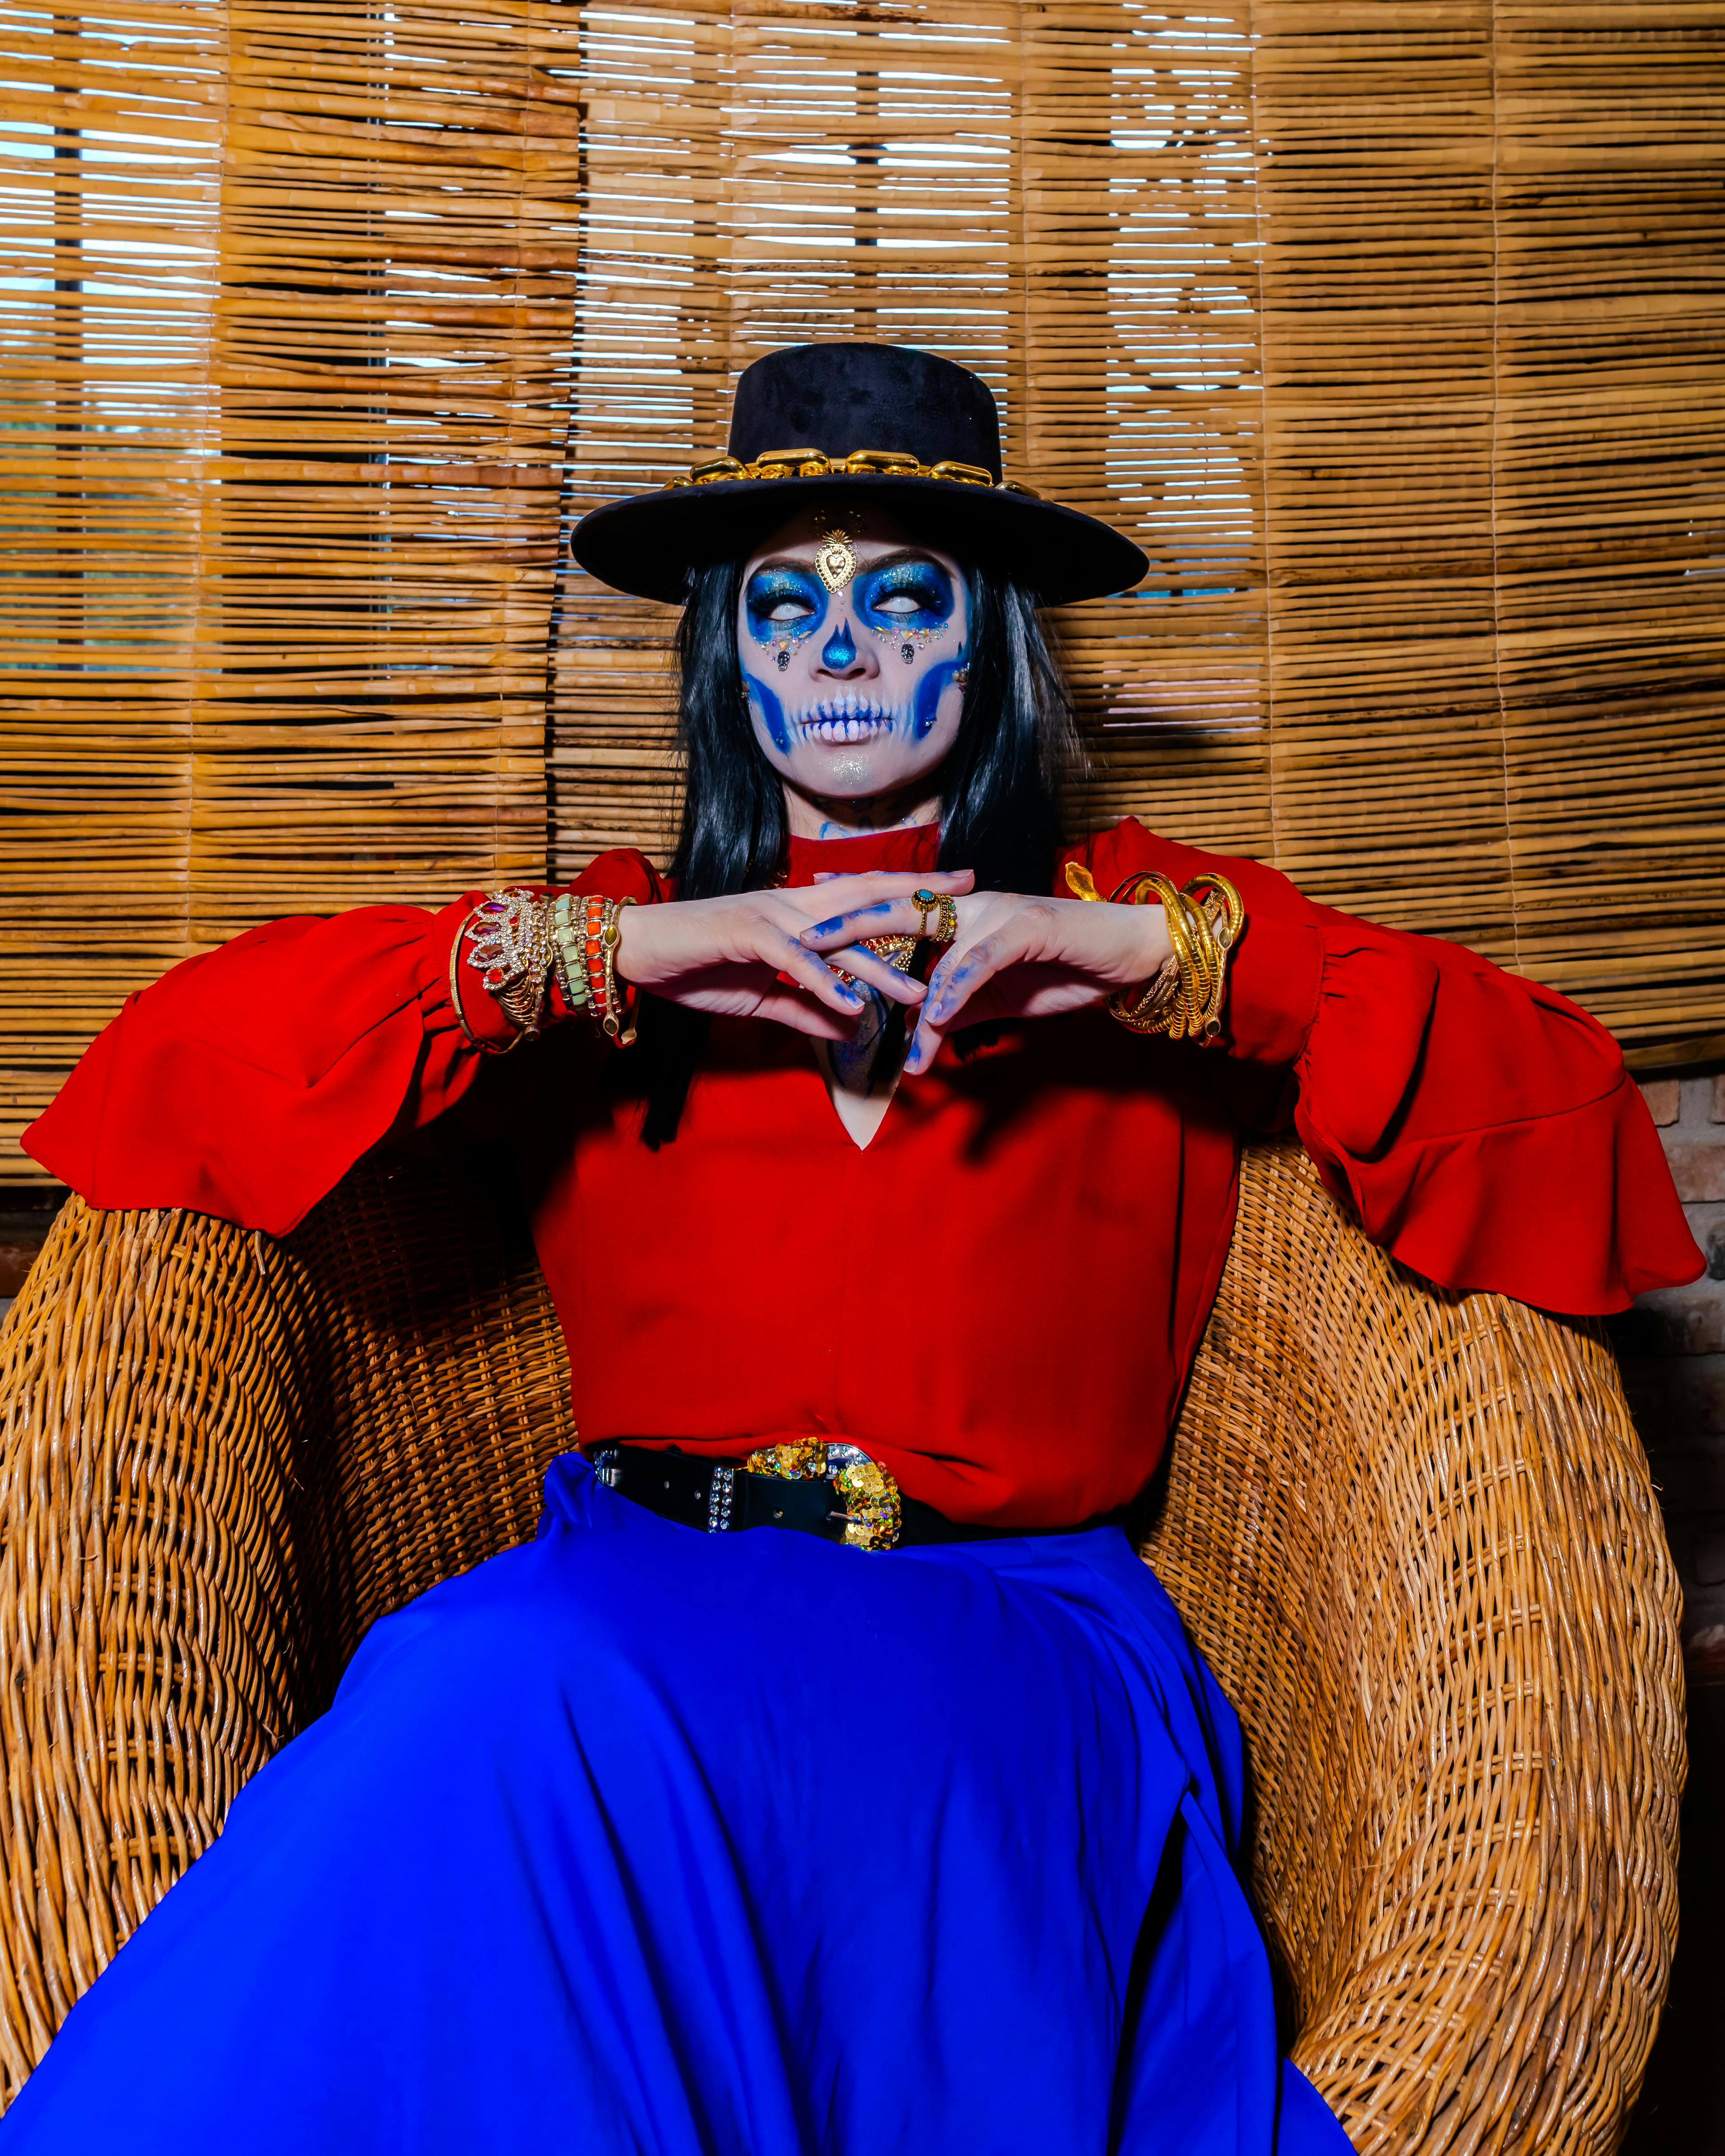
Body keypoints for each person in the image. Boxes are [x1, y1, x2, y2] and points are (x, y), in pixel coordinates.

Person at [4, 343, 1700, 2154]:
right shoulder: (621, 949)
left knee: (499, 1690)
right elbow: (156, 1085)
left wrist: (1156, 966)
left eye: (902, 599)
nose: (837, 650)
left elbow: (1561, 1122)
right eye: (782, 605)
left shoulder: (1138, 927)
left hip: (994, 1634)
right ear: (724, 655)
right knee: (472, 1696)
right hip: (625, 1598)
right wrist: (601, 962)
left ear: (991, 645)